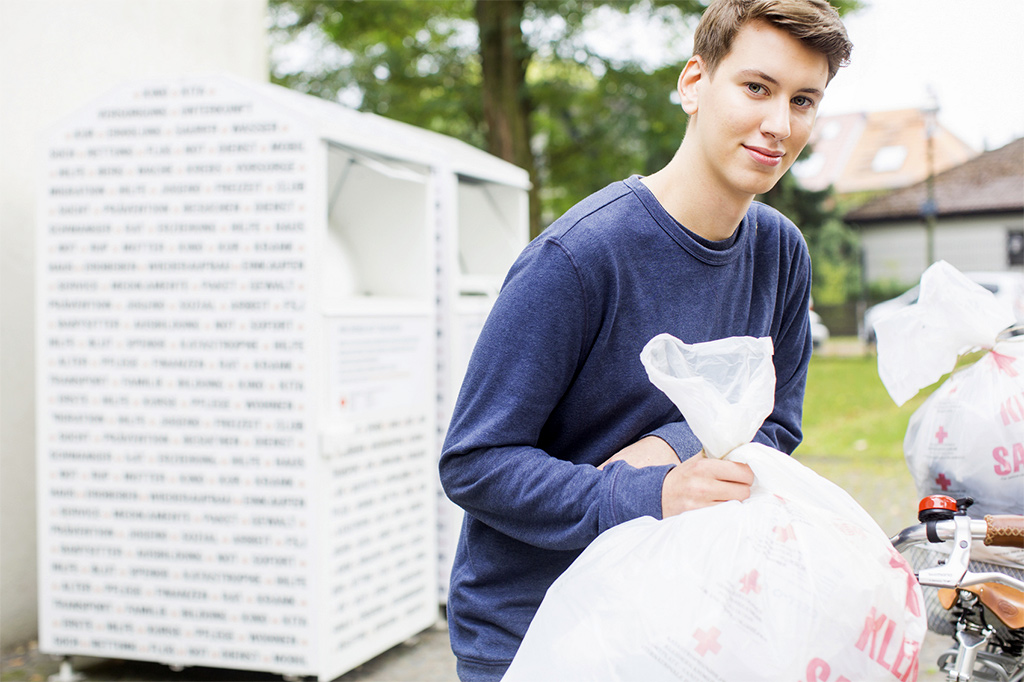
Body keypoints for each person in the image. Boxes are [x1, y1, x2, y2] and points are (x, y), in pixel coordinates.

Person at [438, 1, 853, 679]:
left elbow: (775, 427)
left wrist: (671, 445)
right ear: (694, 83)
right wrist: (646, 493)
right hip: (533, 633)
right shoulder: (578, 258)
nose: (779, 124)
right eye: (757, 88)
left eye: (803, 100)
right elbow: (474, 462)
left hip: (675, 621)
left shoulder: (782, 254)